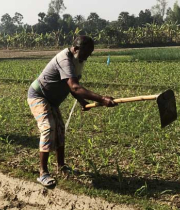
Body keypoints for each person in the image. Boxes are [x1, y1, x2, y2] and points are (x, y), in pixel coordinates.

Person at [27, 36, 118, 187]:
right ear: (75, 49)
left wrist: (82, 101)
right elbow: (75, 86)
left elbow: (72, 87)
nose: (88, 56)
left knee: (60, 129)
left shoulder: (78, 61)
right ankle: (43, 173)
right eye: (86, 52)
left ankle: (61, 166)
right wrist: (101, 99)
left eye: (90, 53)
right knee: (49, 127)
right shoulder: (65, 60)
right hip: (39, 95)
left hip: (52, 100)